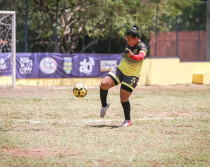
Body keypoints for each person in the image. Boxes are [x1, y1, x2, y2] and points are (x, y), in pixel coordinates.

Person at [99, 25, 148, 127]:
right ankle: (104, 105)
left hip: (132, 76)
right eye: (127, 40)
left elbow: (141, 56)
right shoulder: (128, 43)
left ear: (136, 38)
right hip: (120, 70)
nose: (128, 42)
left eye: (129, 40)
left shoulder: (142, 47)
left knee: (123, 98)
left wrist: (133, 56)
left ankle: (128, 120)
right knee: (104, 84)